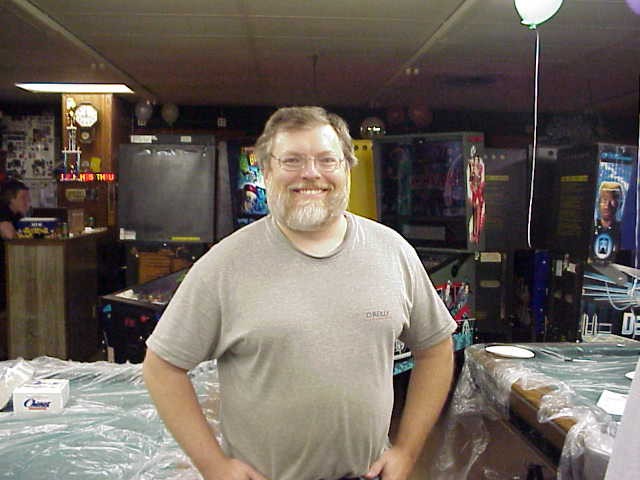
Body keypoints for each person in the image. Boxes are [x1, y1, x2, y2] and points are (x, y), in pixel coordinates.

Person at [143, 106, 457, 480]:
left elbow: (436, 349)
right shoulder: (224, 265)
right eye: (292, 160)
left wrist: (406, 452)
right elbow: (162, 367)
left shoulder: (393, 252)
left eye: (327, 159)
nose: (310, 173)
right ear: (266, 170)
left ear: (347, 168)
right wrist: (215, 466)